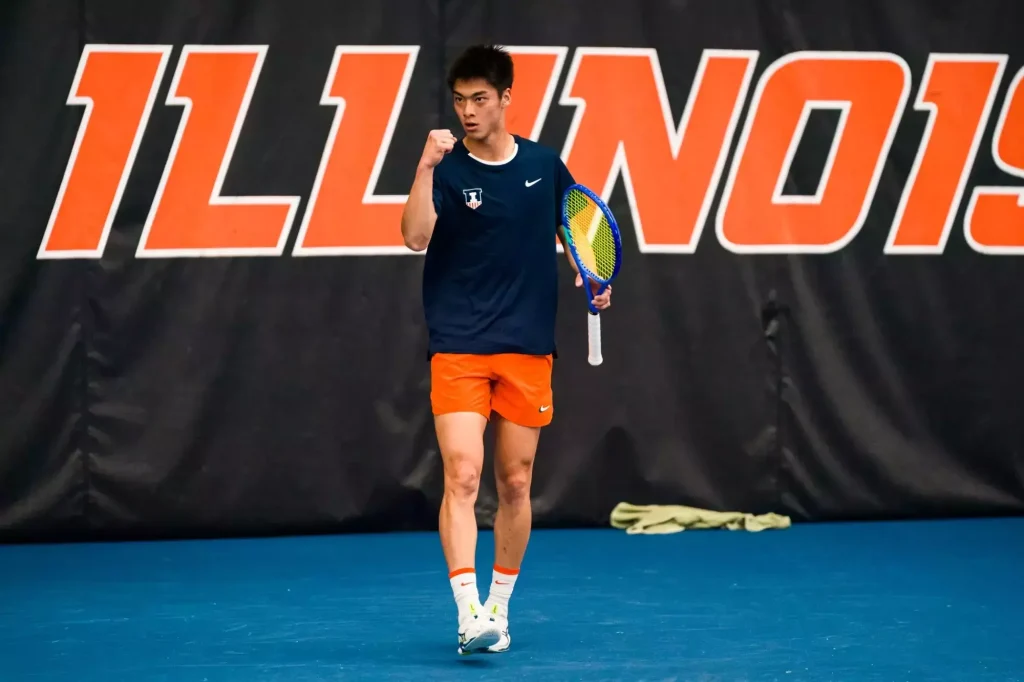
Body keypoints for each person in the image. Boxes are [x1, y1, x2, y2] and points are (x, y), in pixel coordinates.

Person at [400, 44, 612, 655]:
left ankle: (498, 605)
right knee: (463, 474)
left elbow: (580, 234)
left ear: (505, 99)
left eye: (480, 99)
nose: (467, 111)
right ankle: (468, 612)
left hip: (526, 345)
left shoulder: (544, 166)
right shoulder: (445, 169)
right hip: (460, 344)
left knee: (515, 482)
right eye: (459, 100)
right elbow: (414, 236)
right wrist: (424, 166)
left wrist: (591, 277)